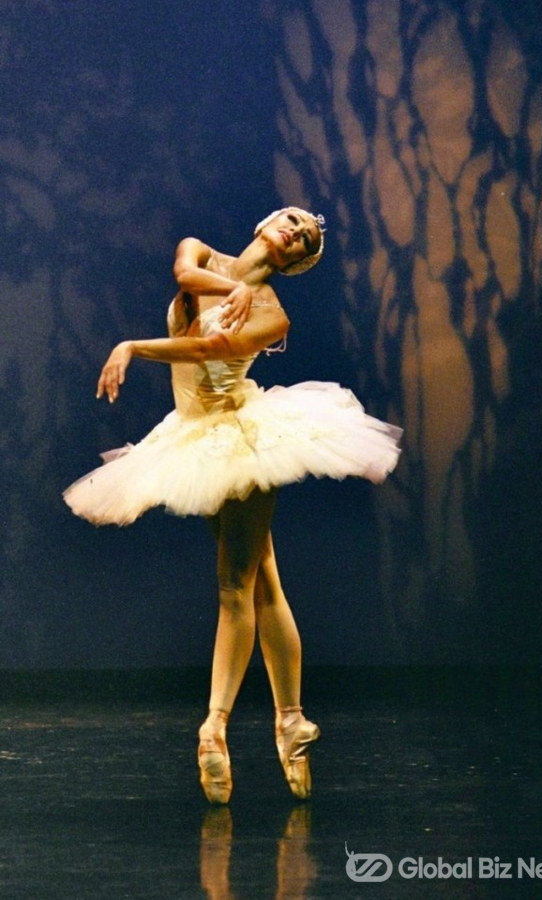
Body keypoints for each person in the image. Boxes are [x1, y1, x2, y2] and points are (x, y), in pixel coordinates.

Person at [64, 207, 402, 804]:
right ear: (267, 222)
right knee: (262, 577)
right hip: (194, 435)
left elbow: (210, 347)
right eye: (293, 220)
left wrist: (132, 346)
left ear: (296, 261)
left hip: (239, 435)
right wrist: (232, 288)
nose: (295, 231)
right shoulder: (200, 251)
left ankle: (214, 728)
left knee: (234, 581)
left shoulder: (273, 313)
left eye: (305, 239)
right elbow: (186, 275)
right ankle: (290, 721)